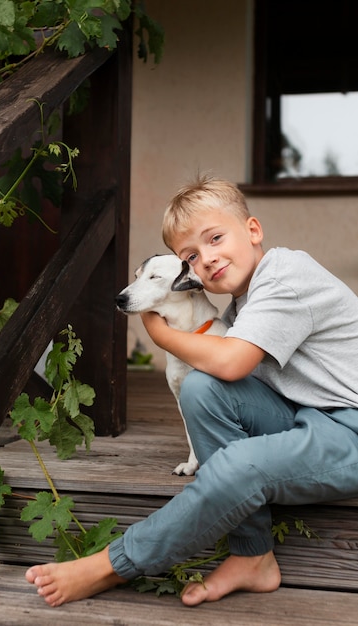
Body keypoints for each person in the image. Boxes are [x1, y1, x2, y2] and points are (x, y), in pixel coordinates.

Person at [25, 174, 358, 608]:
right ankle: (254, 554)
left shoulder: (286, 275)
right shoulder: (244, 304)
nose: (209, 259)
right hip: (311, 417)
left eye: (216, 238)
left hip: (350, 429)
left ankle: (111, 563)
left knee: (239, 459)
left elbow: (231, 360)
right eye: (192, 256)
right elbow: (220, 371)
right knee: (201, 388)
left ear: (253, 230)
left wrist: (159, 335)